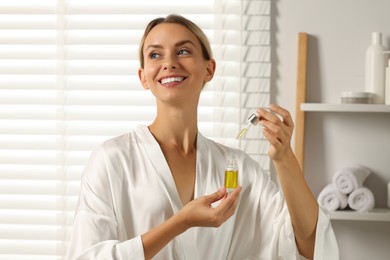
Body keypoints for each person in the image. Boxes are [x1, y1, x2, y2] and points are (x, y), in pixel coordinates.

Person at [66, 14, 338, 260]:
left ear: (209, 69)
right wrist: (180, 222)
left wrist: (283, 157)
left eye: (183, 51)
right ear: (143, 77)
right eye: (155, 55)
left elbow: (310, 246)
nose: (170, 63)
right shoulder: (112, 159)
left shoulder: (238, 168)